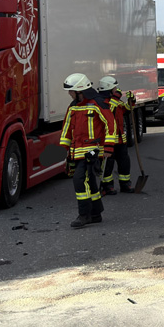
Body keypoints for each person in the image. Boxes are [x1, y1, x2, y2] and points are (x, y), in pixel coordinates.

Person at [60, 73, 115, 228]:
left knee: (79, 179)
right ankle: (96, 213)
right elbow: (66, 129)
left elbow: (110, 125)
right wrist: (65, 150)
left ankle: (84, 215)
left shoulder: (97, 103)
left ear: (79, 90)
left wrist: (108, 148)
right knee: (89, 180)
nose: (69, 94)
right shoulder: (73, 107)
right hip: (77, 151)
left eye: (71, 91)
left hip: (93, 150)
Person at [96, 75, 135, 195]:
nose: (117, 89)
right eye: (115, 88)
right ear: (109, 89)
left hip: (120, 140)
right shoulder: (102, 103)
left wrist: (131, 100)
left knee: (124, 162)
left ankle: (125, 184)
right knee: (108, 164)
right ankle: (108, 186)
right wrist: (116, 98)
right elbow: (109, 112)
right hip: (108, 141)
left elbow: (126, 109)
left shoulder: (116, 102)